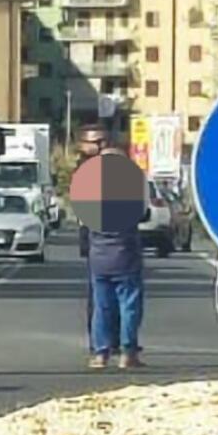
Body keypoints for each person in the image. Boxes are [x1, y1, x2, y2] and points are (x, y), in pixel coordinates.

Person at [75, 126, 147, 370]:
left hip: (98, 256)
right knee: (129, 305)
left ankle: (100, 353)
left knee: (101, 306)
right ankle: (128, 353)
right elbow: (143, 213)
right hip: (125, 254)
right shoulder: (128, 189)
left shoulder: (88, 186)